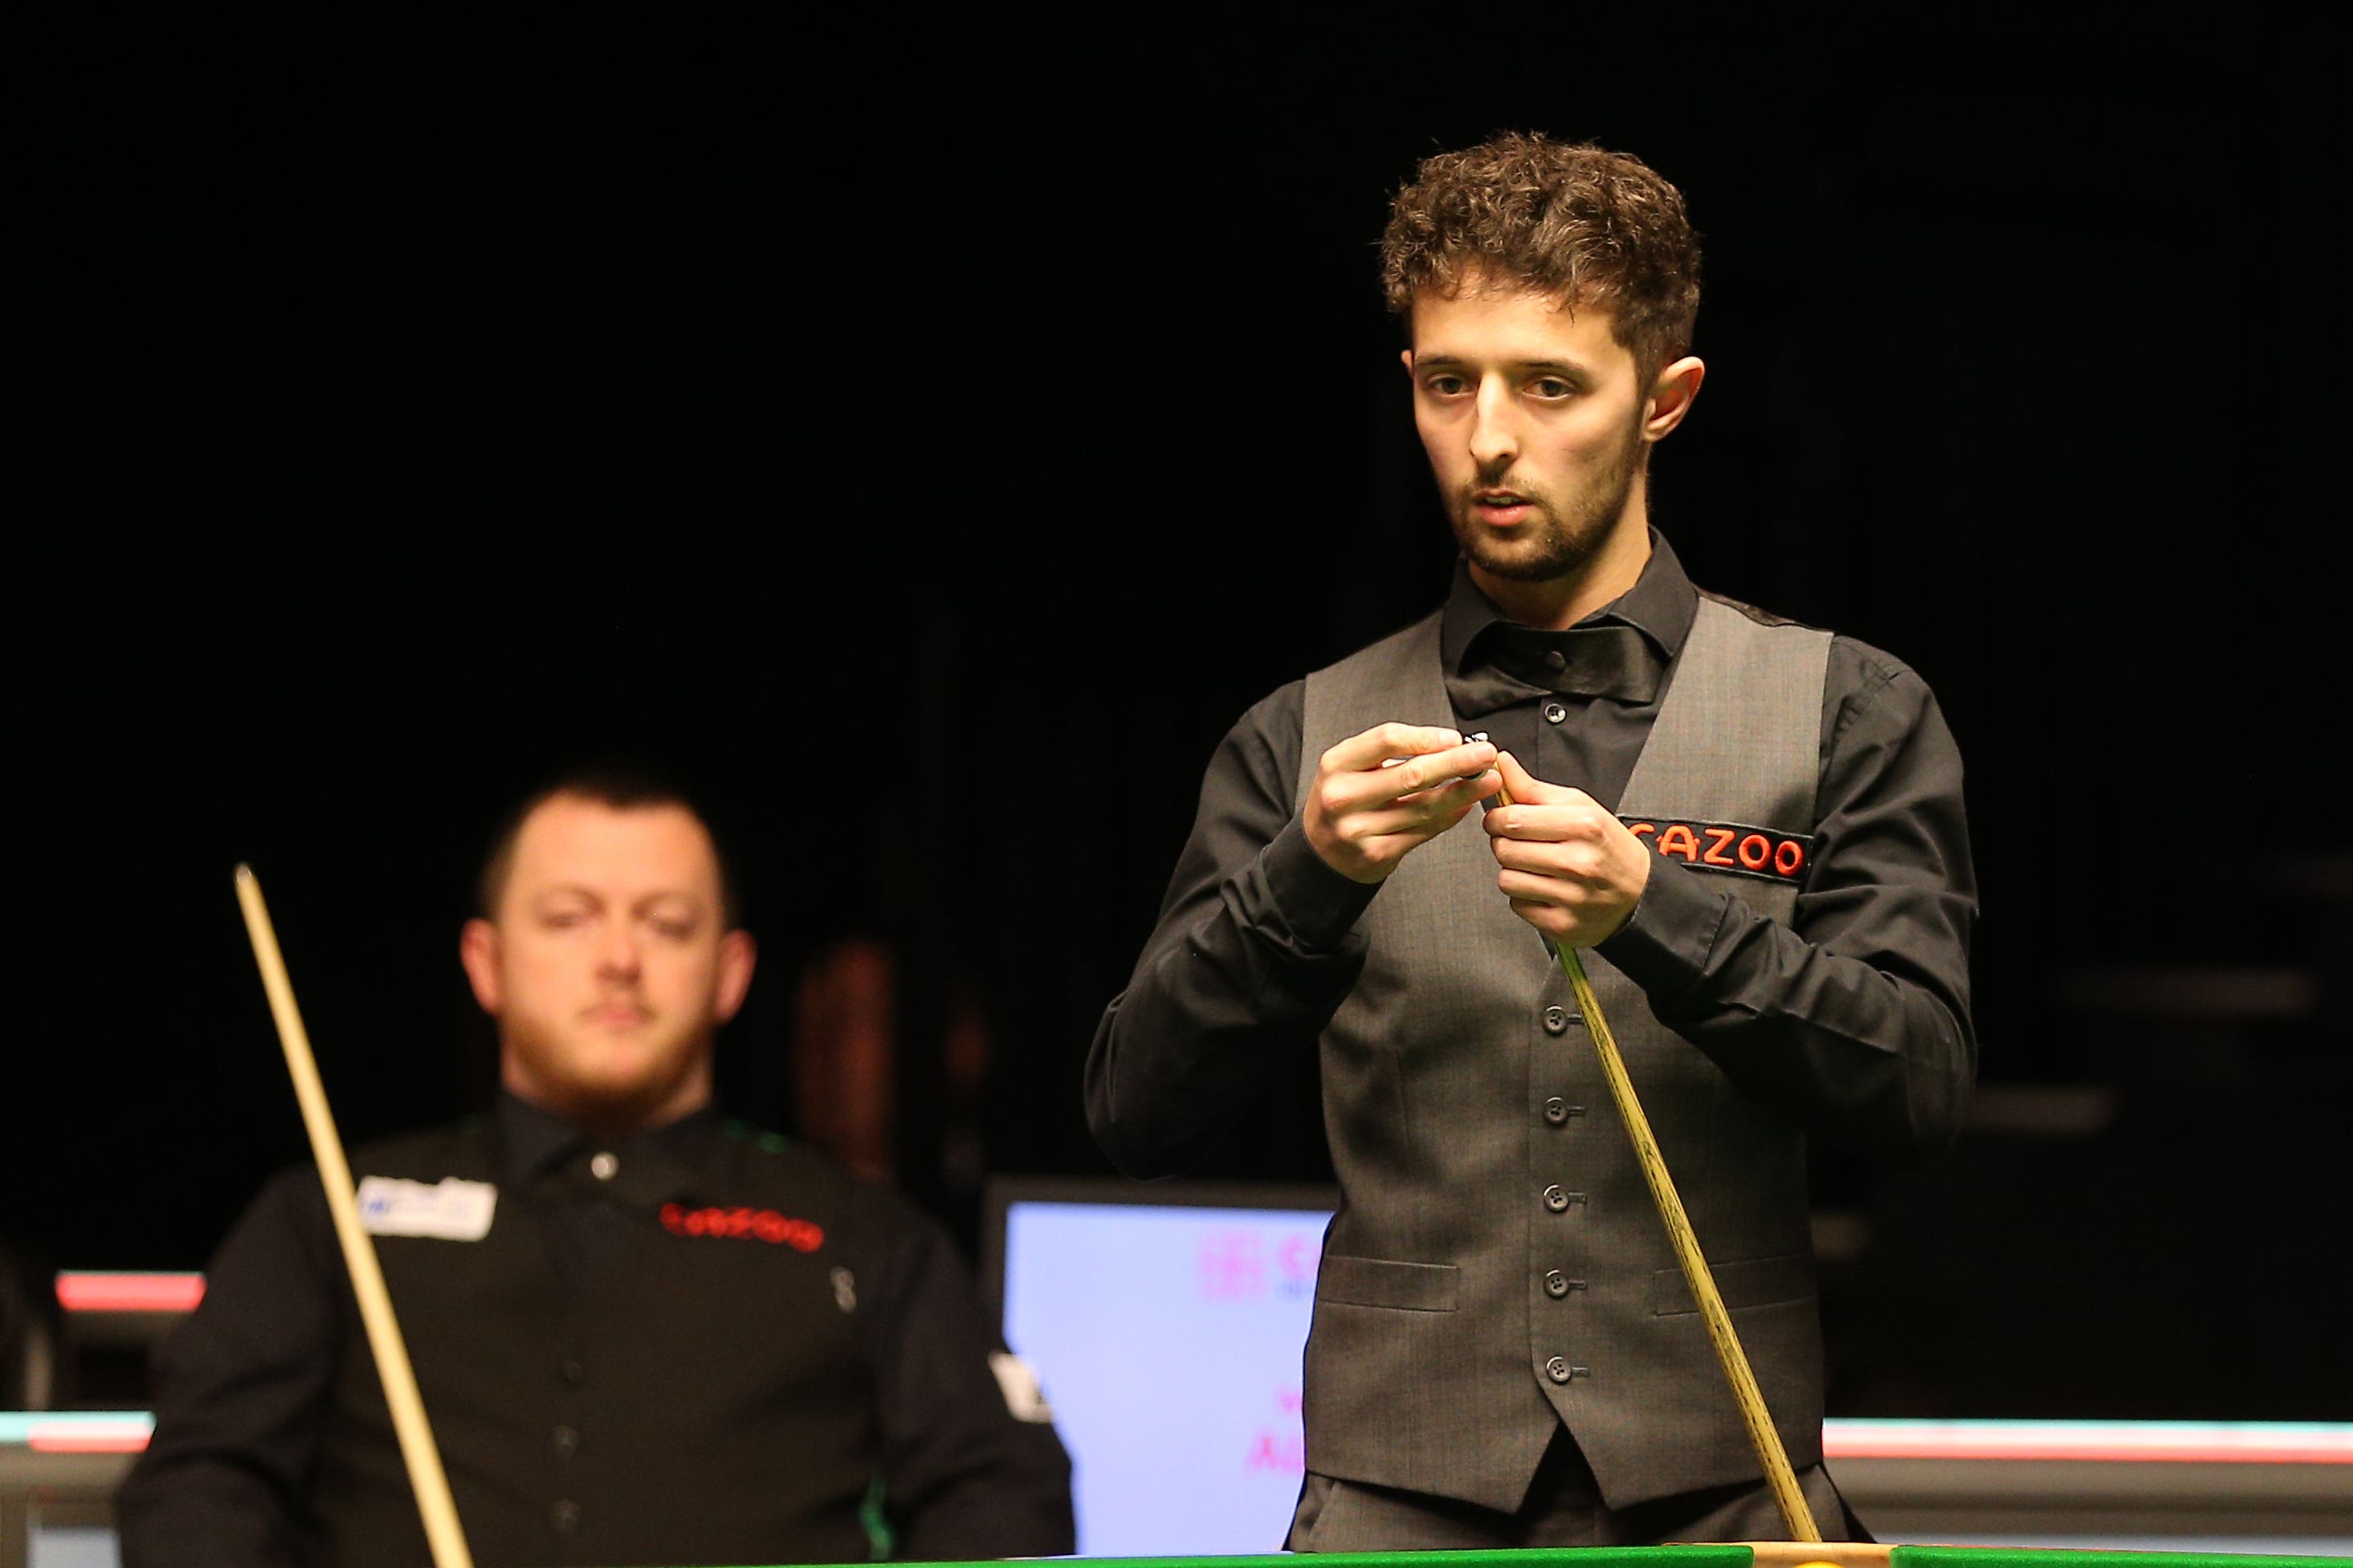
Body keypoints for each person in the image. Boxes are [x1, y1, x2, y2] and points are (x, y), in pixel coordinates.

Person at [1085, 133, 1975, 1548]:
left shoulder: (1846, 708)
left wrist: (1661, 913)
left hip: (1724, 1487)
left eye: (1548, 384)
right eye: (1451, 382)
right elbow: (1133, 1106)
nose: (1489, 436)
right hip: (1395, 1499)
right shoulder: (1299, 738)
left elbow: (1918, 1085)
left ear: (1664, 400)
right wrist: (1303, 881)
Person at [119, 767, 1075, 1566]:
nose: (619, 958)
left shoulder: (863, 1237)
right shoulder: (329, 1216)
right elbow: (200, 1487)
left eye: (664, 923)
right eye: (570, 918)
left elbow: (1001, 1498)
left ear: (731, 972)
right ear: (486, 963)